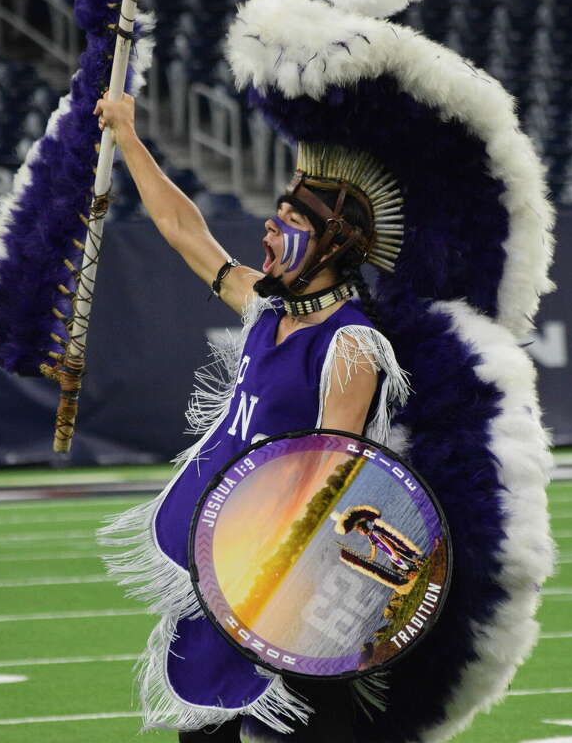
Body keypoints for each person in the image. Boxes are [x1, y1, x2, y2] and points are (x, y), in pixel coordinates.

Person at [94, 91, 409, 742]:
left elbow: (328, 483)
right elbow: (186, 232)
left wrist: (261, 578)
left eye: (288, 220)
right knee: (206, 726)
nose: (267, 229)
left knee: (321, 727)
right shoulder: (266, 305)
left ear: (330, 246)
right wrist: (127, 132)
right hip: (225, 552)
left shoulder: (351, 346)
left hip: (286, 582)